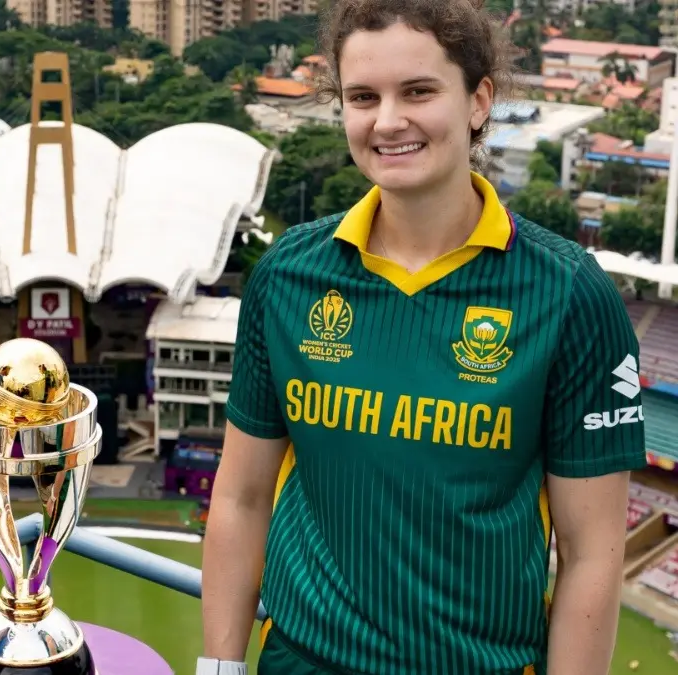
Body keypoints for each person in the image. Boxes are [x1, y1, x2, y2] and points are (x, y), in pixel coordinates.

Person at [199, 1, 645, 674]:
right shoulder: (288, 274)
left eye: (418, 92)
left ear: (478, 101)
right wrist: (220, 667)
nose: (387, 121)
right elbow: (241, 497)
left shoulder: (569, 293)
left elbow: (591, 554)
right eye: (362, 97)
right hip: (300, 661)